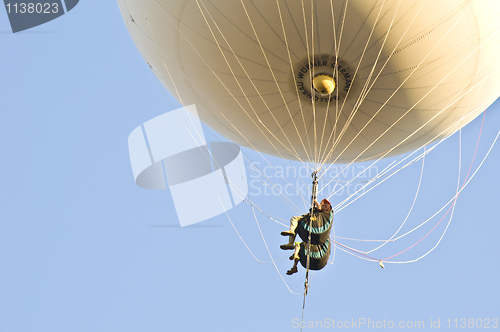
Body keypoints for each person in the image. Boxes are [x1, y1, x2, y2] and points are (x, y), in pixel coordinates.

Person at [280, 198, 333, 275]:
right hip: (320, 259)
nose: (321, 204)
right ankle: (294, 265)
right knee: (300, 249)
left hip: (316, 231)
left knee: (295, 219)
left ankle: (291, 237)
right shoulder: (323, 216)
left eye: (322, 203)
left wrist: (315, 201)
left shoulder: (327, 207)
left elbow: (319, 207)